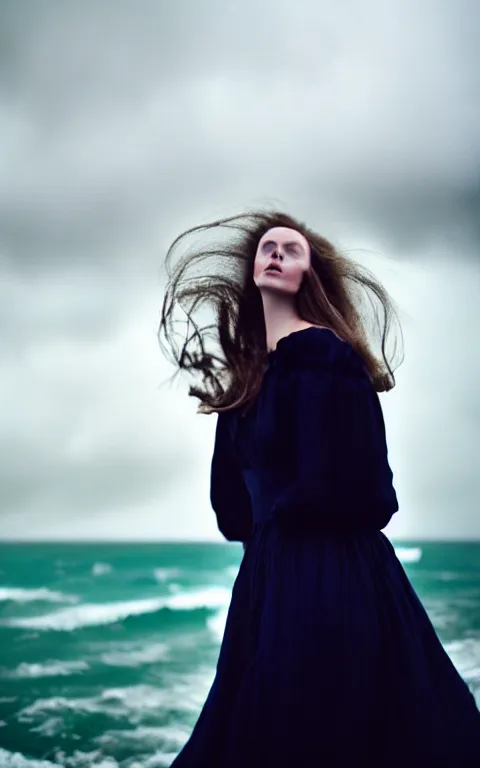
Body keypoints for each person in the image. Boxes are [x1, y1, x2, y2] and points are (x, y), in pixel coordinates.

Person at [158, 210, 480, 766]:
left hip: (331, 573)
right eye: (266, 247)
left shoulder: (327, 356)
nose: (276, 253)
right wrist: (233, 407)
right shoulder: (249, 380)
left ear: (310, 273)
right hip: (265, 580)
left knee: (317, 727)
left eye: (292, 249)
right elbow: (232, 513)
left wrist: (291, 512)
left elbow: (371, 491)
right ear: (251, 267)